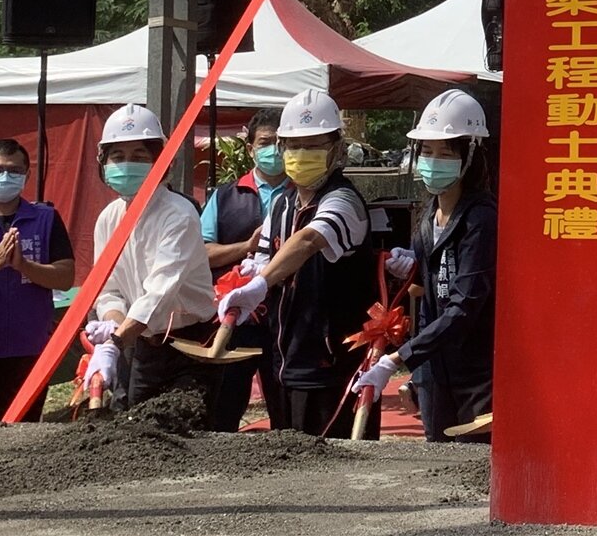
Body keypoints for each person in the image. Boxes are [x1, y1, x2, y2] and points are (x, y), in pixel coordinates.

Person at [219, 87, 380, 439]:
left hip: (331, 365)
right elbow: (261, 258)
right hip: (283, 363)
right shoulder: (281, 205)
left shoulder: (344, 200)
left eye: (313, 145)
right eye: (293, 145)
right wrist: (246, 286)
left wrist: (261, 281)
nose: (300, 154)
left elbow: (309, 240)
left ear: (336, 149)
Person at [357, 90, 496, 442]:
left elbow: (465, 305)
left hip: (475, 375)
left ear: (470, 155)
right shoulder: (428, 214)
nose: (433, 161)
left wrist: (399, 358)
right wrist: (414, 267)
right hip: (436, 373)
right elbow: (430, 293)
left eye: (446, 153)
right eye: (427, 151)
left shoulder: (480, 219)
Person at [87, 104, 222, 418]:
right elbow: (108, 289)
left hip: (191, 346)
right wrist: (111, 324)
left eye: (138, 156)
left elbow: (159, 293)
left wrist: (115, 343)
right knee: (135, 423)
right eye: (117, 157)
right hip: (143, 344)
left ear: (163, 163)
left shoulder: (179, 214)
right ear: (103, 163)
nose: (126, 165)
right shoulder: (108, 219)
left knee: (183, 428)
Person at [0, 140, 75, 421]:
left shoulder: (46, 219)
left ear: (27, 176)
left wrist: (24, 266)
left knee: (21, 435)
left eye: (14, 170)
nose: (5, 177)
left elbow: (66, 277)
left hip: (26, 350)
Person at [201, 108, 290, 432]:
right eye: (266, 142)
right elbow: (203, 253)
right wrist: (245, 249)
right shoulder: (225, 197)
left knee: (285, 407)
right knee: (225, 403)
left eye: (282, 142)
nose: (275, 150)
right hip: (234, 319)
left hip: (285, 318)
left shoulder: (303, 194)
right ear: (250, 148)